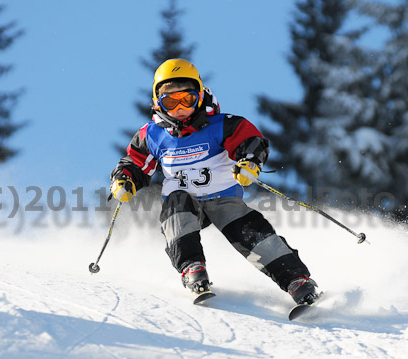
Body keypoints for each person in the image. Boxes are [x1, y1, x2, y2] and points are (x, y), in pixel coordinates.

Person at [110, 58, 319, 305]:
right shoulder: (152, 135)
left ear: (199, 95)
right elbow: (135, 162)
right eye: (170, 101)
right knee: (176, 209)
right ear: (158, 103)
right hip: (184, 200)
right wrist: (124, 180)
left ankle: (296, 280)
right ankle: (192, 268)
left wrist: (250, 162)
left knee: (250, 233)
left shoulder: (221, 124)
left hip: (223, 198)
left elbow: (251, 140)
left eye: (186, 99)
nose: (179, 108)